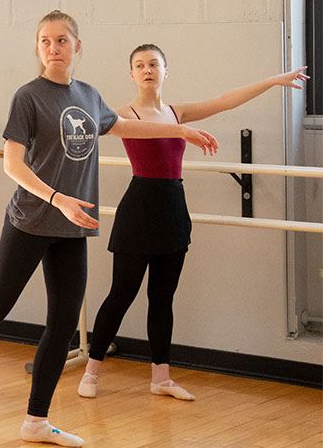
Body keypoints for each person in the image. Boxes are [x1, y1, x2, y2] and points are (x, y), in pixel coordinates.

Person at [0, 11, 219, 448]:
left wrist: (179, 129)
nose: (54, 48)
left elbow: (121, 126)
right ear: (38, 48)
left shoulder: (88, 95)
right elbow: (13, 163)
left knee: (65, 320)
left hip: (72, 226)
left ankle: (36, 420)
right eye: (46, 41)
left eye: (62, 40)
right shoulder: (28, 97)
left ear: (77, 47)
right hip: (32, 219)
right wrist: (57, 198)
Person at [79, 46, 308, 401]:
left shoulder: (177, 112)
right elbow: (114, 129)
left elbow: (226, 100)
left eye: (153, 64)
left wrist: (275, 80)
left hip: (172, 207)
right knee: (121, 294)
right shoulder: (124, 114)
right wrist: (182, 132)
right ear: (132, 74)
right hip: (139, 209)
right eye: (139, 65)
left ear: (166, 70)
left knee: (162, 297)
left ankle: (161, 377)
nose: (147, 70)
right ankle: (92, 371)